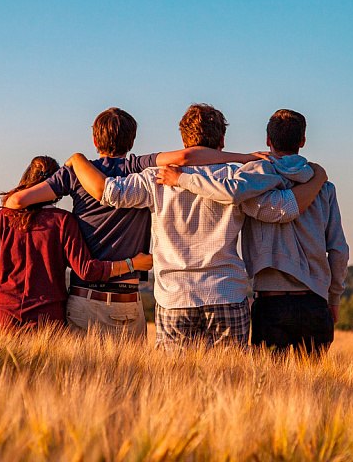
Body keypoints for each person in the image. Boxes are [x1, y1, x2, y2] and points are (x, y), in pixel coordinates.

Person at [66, 104, 328, 350]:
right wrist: (317, 179)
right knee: (230, 384)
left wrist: (78, 160)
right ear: (222, 142)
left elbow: (109, 192)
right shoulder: (237, 178)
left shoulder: (156, 178)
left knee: (175, 385)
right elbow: (281, 210)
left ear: (183, 141)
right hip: (226, 293)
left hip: (174, 297)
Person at [2, 107, 263, 338]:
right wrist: (244, 158)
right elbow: (185, 158)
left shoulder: (75, 172)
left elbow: (16, 202)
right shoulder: (139, 167)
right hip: (127, 300)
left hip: (84, 297)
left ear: (95, 140)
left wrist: (74, 162)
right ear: (132, 140)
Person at [157, 109, 348, 356]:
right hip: (315, 302)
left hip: (271, 303)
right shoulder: (324, 187)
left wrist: (182, 179)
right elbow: (338, 250)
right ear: (302, 141)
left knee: (267, 388)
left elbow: (234, 194)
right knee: (314, 390)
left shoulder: (250, 180)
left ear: (268, 140)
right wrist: (334, 297)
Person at [0, 156, 153, 334]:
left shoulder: (4, 217)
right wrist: (132, 264)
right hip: (46, 324)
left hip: (2, 320)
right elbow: (87, 270)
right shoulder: (63, 221)